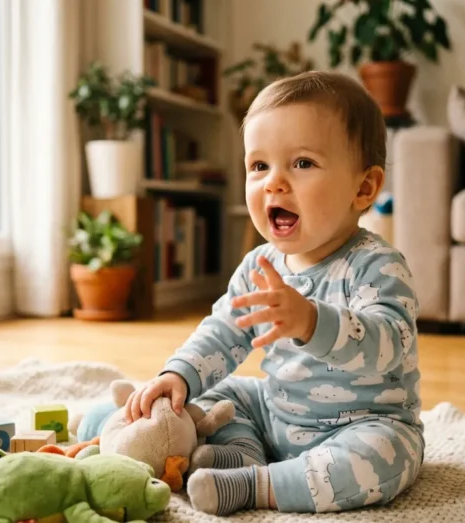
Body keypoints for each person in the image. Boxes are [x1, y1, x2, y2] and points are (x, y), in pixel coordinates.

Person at [125, 70, 423, 515]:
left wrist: (311, 322)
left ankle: (256, 485)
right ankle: (240, 452)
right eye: (259, 166)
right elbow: (224, 330)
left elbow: (389, 346)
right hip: (275, 412)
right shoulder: (259, 265)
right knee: (217, 399)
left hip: (364, 423)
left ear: (363, 188)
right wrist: (179, 375)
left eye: (302, 163)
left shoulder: (376, 264)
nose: (274, 183)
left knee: (384, 458)